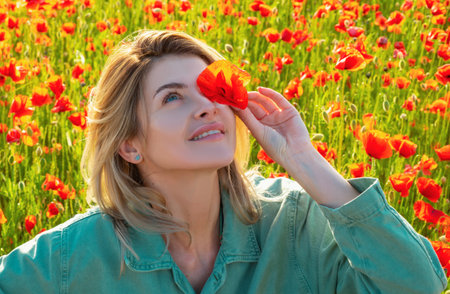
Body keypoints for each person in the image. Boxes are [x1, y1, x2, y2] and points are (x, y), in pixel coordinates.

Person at [0, 30, 447, 294]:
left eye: (213, 91)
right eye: (173, 96)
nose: (207, 107)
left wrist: (304, 160)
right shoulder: (71, 258)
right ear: (129, 145)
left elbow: (417, 285)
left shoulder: (291, 222)